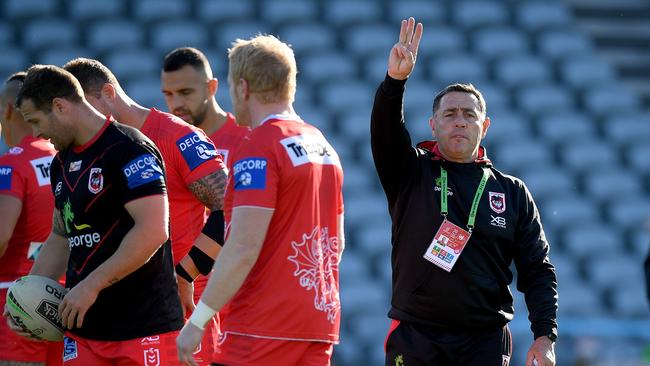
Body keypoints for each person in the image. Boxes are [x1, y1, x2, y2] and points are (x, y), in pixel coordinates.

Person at [372, 18, 558, 366]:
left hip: (484, 340)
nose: (460, 121)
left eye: (469, 115)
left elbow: (537, 269)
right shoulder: (411, 172)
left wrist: (544, 335)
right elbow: (385, 131)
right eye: (450, 114)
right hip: (416, 336)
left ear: (484, 126)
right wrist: (395, 81)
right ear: (433, 124)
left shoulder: (511, 192)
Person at [176, 35, 345, 366]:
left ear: (243, 87)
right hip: (317, 322)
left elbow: (242, 246)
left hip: (262, 327)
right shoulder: (323, 146)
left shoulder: (261, 146)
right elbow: (337, 243)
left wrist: (197, 322)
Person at [9, 64, 184, 365]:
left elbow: (153, 230)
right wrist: (22, 299)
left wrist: (91, 285)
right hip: (83, 332)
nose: (36, 133)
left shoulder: (130, 148)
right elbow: (61, 236)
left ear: (60, 106)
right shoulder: (59, 164)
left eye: (36, 121)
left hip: (143, 326)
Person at [63, 58, 228, 365]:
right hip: (115, 315)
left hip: (179, 312)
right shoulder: (85, 151)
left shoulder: (178, 136)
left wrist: (185, 273)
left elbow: (229, 207)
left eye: (87, 107)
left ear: (109, 94)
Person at [0, 72, 62, 366]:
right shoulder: (63, 160)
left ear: (9, 110)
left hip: (14, 304)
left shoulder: (11, 163)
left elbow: (1, 236)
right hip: (61, 302)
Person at [161, 47, 249, 168]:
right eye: (168, 94)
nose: (176, 104)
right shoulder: (163, 147)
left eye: (185, 92)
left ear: (211, 88)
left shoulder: (246, 139)